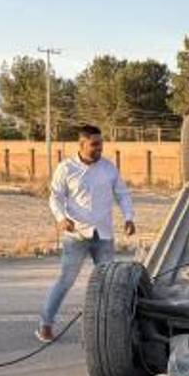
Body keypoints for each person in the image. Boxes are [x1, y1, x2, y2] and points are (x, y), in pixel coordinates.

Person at [37, 125, 135, 342]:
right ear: (82, 145)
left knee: (108, 284)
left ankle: (107, 330)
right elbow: (55, 197)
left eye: (101, 143)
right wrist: (61, 218)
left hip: (104, 236)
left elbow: (123, 194)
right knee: (66, 280)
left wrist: (129, 217)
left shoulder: (109, 168)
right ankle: (45, 324)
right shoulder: (66, 168)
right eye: (95, 144)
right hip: (77, 236)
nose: (100, 148)